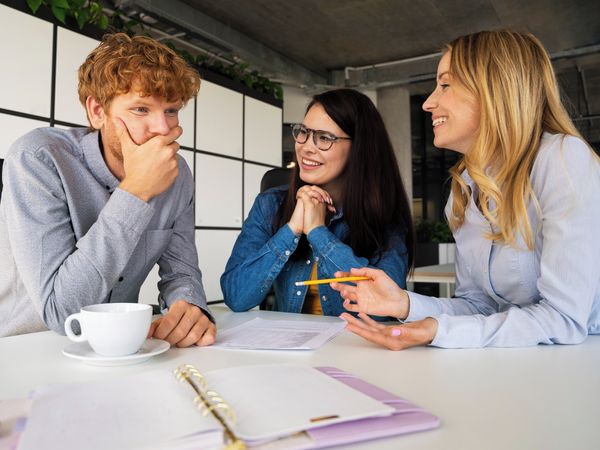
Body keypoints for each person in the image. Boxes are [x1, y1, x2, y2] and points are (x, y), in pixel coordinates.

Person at [332, 30, 600, 349]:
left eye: (445, 85)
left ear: (495, 89)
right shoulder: (465, 189)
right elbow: (480, 307)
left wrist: (438, 330)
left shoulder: (562, 158)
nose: (428, 103)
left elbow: (564, 319)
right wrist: (403, 304)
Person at [0, 33, 216, 347]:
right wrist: (136, 191)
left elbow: (181, 271)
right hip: (26, 347)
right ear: (97, 111)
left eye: (171, 110)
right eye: (141, 109)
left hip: (118, 347)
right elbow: (62, 314)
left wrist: (189, 306)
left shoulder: (177, 173)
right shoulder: (38, 157)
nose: (163, 128)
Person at [221, 89, 414, 316]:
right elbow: (236, 296)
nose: (306, 147)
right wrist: (292, 229)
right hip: (288, 337)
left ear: (359, 148)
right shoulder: (270, 204)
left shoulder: (385, 213)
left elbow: (386, 305)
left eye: (324, 138)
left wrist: (318, 233)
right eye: (304, 132)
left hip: (353, 338)